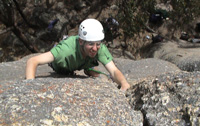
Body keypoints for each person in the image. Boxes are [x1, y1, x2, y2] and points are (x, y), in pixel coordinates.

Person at [26, 18, 130, 91]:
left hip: (82, 60)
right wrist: (30, 88)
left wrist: (124, 84)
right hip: (61, 66)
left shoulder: (99, 48)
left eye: (97, 44)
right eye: (91, 44)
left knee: (96, 74)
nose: (95, 48)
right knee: (63, 65)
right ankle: (87, 65)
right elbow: (32, 61)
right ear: (81, 41)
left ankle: (88, 66)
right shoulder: (64, 51)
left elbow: (114, 70)